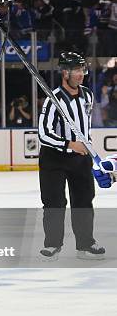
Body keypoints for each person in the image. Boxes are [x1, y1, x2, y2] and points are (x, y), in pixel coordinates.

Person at [38, 52, 105, 260]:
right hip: (54, 158)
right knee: (54, 202)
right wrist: (69, 144)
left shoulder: (88, 95)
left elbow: (85, 125)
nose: (81, 74)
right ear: (65, 72)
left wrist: (85, 144)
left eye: (83, 70)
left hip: (80, 157)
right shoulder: (53, 100)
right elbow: (43, 133)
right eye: (77, 70)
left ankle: (85, 245)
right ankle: (52, 245)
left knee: (84, 200)